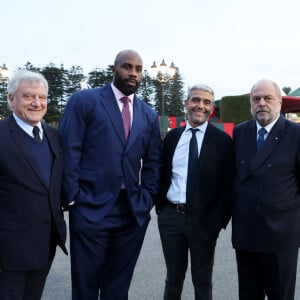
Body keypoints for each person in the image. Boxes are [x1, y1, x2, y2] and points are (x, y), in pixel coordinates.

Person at [59, 49, 162, 300]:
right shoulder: (84, 101)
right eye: (127, 67)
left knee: (118, 287)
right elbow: (69, 149)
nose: (133, 73)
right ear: (113, 69)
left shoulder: (148, 114)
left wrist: (146, 197)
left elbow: (153, 162)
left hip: (131, 212)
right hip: (90, 205)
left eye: (138, 69)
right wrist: (73, 197)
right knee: (86, 285)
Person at [155, 84, 234, 300]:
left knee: (202, 280)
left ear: (212, 109)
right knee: (173, 279)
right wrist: (161, 210)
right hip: (171, 218)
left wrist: (218, 221)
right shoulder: (172, 138)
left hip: (204, 221)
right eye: (196, 100)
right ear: (186, 103)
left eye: (207, 102)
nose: (201, 106)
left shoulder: (223, 142)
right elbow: (161, 174)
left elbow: (228, 186)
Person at [0, 70, 68, 300]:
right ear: (11, 99)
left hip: (44, 245)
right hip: (8, 250)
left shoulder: (53, 135)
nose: (37, 103)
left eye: (42, 97)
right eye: (29, 96)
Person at [232, 79, 300, 300]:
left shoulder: (295, 133)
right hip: (246, 236)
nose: (262, 103)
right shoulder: (240, 132)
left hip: (280, 238)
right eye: (256, 99)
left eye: (268, 98)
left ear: (279, 102)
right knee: (248, 295)